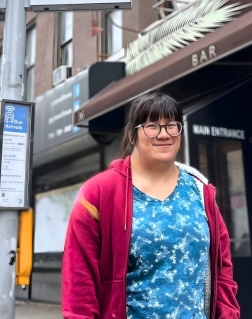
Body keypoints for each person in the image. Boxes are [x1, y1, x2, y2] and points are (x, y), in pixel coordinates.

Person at [62, 93, 240, 319]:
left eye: (172, 126)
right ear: (132, 133)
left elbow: (222, 268)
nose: (164, 134)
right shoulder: (99, 194)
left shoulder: (200, 191)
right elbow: (79, 280)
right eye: (152, 126)